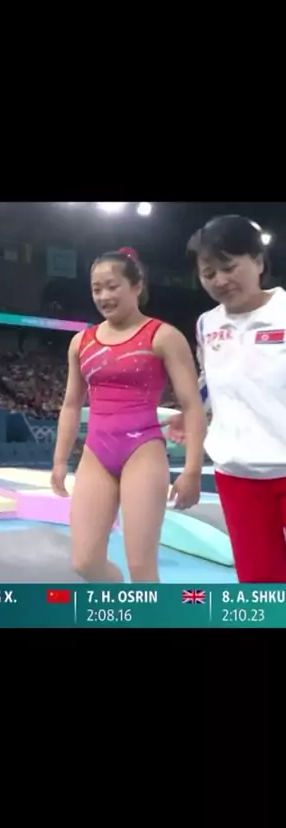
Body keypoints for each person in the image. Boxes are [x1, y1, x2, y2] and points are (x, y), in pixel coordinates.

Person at [51, 247, 205, 583]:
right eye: (96, 289)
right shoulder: (81, 342)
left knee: (141, 567)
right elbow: (72, 404)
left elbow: (192, 405)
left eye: (112, 286)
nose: (103, 296)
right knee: (84, 562)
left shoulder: (163, 336)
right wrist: (60, 461)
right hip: (96, 453)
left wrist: (192, 470)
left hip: (143, 451)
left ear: (137, 286)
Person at [164, 215, 286, 583]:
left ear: (259, 262)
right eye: (208, 273)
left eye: (229, 267)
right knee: (260, 583)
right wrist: (191, 411)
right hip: (237, 477)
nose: (220, 280)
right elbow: (209, 379)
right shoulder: (207, 324)